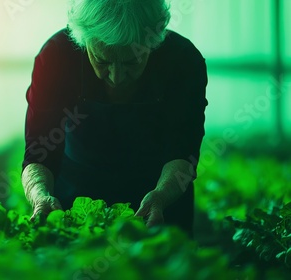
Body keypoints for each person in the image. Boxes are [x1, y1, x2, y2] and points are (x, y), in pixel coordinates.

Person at [21, 0, 208, 235]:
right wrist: (40, 196)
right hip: (75, 200)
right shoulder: (56, 57)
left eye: (131, 61)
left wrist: (160, 197)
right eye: (101, 60)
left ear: (154, 40)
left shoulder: (182, 60)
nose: (116, 77)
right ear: (82, 39)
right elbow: (39, 151)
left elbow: (183, 151)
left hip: (161, 203)